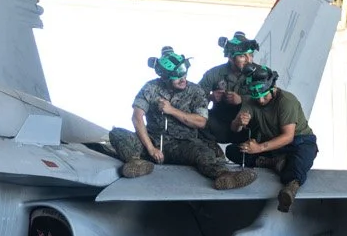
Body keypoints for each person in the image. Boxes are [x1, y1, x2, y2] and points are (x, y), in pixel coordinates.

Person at [109, 48, 255, 190]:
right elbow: (137, 117)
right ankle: (137, 163)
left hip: (183, 143)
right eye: (177, 76)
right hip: (153, 140)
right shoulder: (150, 87)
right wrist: (151, 148)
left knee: (203, 152)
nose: (183, 79)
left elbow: (201, 121)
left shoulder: (195, 91)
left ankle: (224, 176)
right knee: (117, 134)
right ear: (165, 76)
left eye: (184, 73)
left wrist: (171, 110)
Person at [229, 68, 318, 212]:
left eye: (264, 96)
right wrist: (239, 122)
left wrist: (259, 148)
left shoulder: (287, 101)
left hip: (297, 141)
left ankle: (291, 187)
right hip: (271, 144)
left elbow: (288, 137)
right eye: (256, 96)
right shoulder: (251, 100)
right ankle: (273, 163)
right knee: (233, 151)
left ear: (273, 87)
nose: (260, 100)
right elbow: (234, 128)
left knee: (303, 157)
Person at [200, 31, 263, 141]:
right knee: (197, 120)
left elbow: (269, 101)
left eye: (251, 55)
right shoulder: (215, 73)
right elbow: (194, 97)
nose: (249, 60)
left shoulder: (261, 73)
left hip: (247, 126)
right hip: (219, 123)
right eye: (243, 56)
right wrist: (210, 97)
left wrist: (242, 100)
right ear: (230, 58)